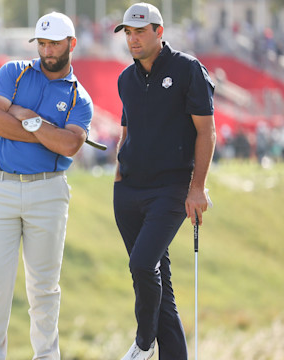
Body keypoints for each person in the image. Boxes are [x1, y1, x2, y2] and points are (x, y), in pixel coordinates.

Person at [0, 12, 93, 360]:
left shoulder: (78, 98)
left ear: (71, 44)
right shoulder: (13, 71)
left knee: (43, 288)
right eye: (42, 43)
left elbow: (69, 146)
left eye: (54, 43)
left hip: (48, 192)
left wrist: (26, 116)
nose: (47, 50)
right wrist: (46, 131)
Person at [112, 3, 216, 360]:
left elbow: (207, 131)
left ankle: (144, 342)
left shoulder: (187, 69)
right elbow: (128, 128)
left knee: (142, 265)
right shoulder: (126, 78)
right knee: (162, 292)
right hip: (129, 192)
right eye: (128, 32)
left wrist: (197, 187)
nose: (133, 39)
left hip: (170, 190)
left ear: (159, 31)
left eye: (140, 31)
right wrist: (118, 167)